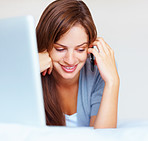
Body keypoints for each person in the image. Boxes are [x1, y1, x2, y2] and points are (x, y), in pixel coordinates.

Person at [36, 0, 120, 129]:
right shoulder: (33, 69)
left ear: (90, 46)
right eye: (60, 49)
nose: (70, 60)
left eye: (80, 49)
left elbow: (104, 135)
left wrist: (112, 81)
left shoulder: (99, 70)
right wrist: (29, 71)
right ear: (45, 46)